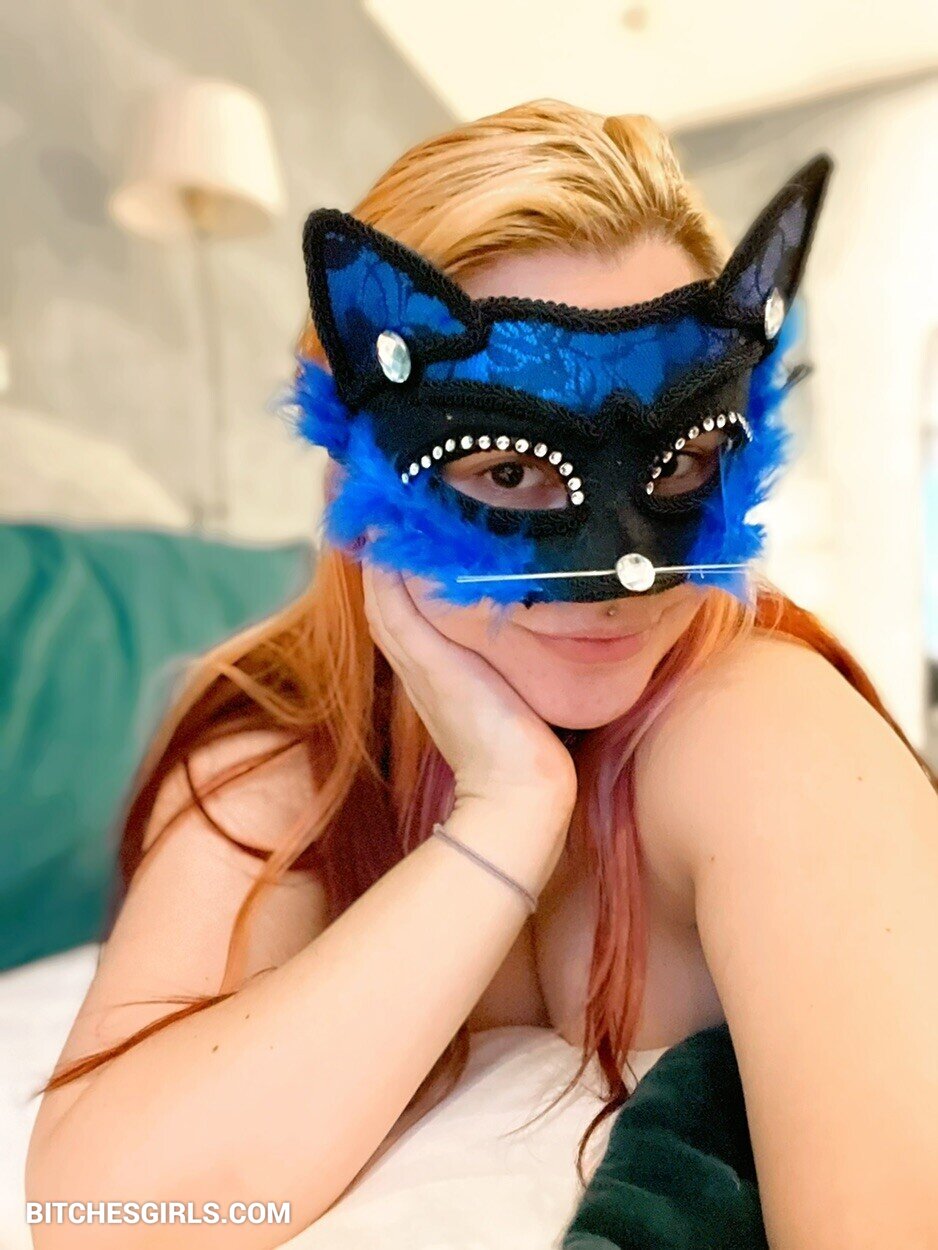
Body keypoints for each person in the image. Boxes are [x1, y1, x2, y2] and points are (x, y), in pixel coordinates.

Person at [26, 100, 938, 1250]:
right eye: (508, 467)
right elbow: (100, 1215)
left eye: (680, 461)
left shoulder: (759, 733)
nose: (618, 574)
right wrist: (503, 812)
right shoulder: (284, 755)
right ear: (354, 481)